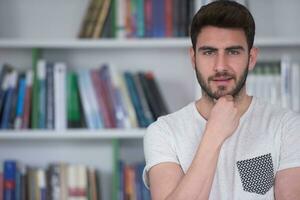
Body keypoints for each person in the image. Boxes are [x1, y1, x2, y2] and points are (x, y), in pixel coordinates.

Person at [142, 1, 300, 199]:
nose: (220, 66)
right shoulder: (163, 132)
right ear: (193, 58)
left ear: (251, 58)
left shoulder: (288, 127)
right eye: (209, 52)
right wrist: (214, 134)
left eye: (233, 51)